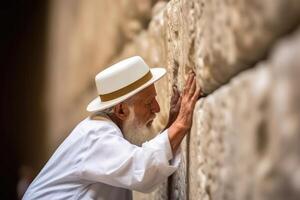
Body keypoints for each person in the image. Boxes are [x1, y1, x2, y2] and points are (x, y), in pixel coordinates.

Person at [23, 56, 202, 200]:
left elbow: (140, 165)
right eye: (148, 102)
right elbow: (142, 170)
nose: (157, 108)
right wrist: (181, 124)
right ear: (121, 110)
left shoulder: (106, 134)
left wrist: (171, 125)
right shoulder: (96, 136)